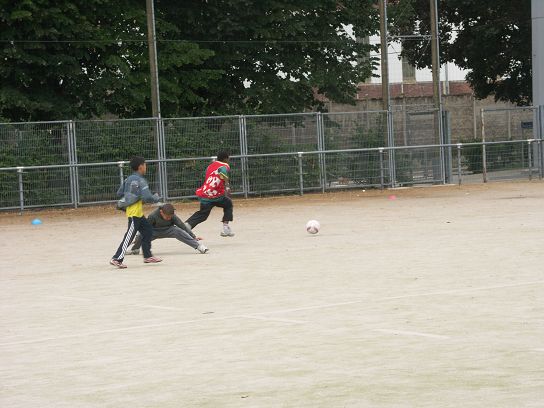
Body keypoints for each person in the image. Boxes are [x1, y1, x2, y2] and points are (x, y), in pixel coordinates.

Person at [110, 156, 162, 269]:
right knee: (129, 236)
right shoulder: (141, 180)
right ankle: (117, 258)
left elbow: (119, 193)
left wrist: (131, 195)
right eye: (145, 165)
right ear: (140, 167)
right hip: (134, 213)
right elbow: (147, 197)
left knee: (148, 230)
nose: (146, 167)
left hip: (137, 212)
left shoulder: (128, 179)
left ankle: (148, 256)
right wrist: (156, 198)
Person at [186, 151, 235, 237]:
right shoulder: (225, 165)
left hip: (205, 194)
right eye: (228, 158)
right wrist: (227, 186)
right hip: (217, 195)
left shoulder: (210, 166)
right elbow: (223, 171)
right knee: (228, 204)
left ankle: (188, 225)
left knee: (203, 214)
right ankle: (226, 228)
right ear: (225, 159)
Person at [128, 203, 209, 255]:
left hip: (169, 230)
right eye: (167, 217)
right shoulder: (152, 216)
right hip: (154, 232)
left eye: (170, 217)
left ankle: (199, 247)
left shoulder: (173, 216)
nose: (169, 218)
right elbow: (145, 228)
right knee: (141, 235)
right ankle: (134, 249)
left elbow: (182, 226)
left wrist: (193, 236)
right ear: (161, 212)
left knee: (178, 231)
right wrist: (138, 238)